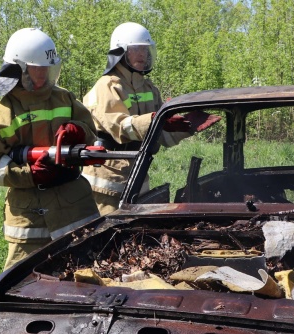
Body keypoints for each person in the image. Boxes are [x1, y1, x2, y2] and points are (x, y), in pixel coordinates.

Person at [0, 28, 100, 270]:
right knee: (21, 282)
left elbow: (92, 132)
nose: (46, 73)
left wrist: (78, 130)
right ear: (21, 70)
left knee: (90, 273)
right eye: (39, 68)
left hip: (75, 207)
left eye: (49, 68)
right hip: (29, 215)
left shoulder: (64, 98)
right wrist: (29, 173)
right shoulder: (3, 112)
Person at [81, 23, 221, 214]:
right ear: (121, 52)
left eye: (146, 50)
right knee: (108, 237)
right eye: (136, 49)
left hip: (138, 172)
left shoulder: (148, 88)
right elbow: (120, 126)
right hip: (107, 182)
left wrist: (186, 126)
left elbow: (161, 135)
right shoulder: (107, 86)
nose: (143, 55)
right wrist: (156, 119)